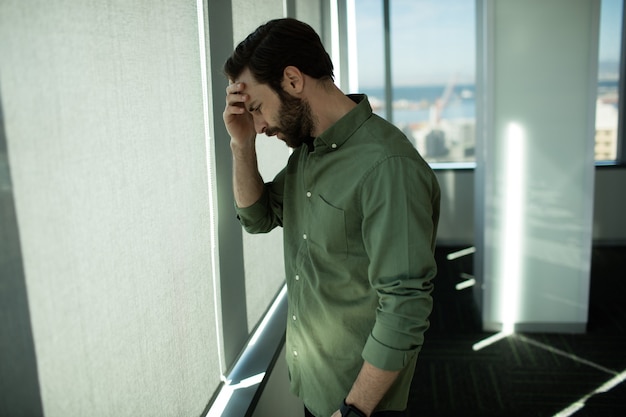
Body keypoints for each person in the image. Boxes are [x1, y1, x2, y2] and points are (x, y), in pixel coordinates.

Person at [223, 18, 440, 417]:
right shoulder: (309, 155)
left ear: (292, 80)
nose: (260, 125)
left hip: (361, 402)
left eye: (256, 109)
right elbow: (258, 217)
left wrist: (353, 410)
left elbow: (405, 306)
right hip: (317, 389)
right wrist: (241, 145)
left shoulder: (387, 166)